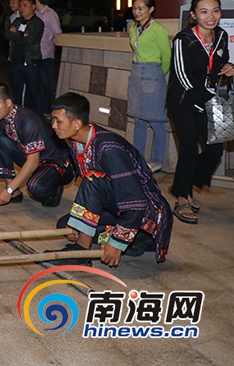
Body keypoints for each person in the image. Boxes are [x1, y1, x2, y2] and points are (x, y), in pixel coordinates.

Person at [50, 93, 172, 267]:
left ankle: (83, 253)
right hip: (117, 205)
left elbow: (136, 201)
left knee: (93, 179)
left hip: (146, 212)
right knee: (66, 224)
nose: (53, 126)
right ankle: (136, 240)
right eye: (53, 120)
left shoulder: (109, 148)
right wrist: (80, 223)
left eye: (58, 121)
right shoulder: (75, 141)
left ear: (77, 124)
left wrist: (117, 242)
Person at [166, 0, 234, 225]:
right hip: (183, 101)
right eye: (204, 11)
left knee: (216, 149)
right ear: (194, 15)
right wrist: (206, 98)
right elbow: (182, 77)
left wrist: (229, 66)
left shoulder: (221, 35)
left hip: (208, 99)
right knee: (189, 150)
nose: (211, 16)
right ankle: (182, 198)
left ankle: (183, 184)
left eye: (215, 10)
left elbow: (219, 63)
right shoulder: (183, 39)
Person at [0, 82, 74, 207]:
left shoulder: (28, 121)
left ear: (8, 102)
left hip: (57, 163)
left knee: (35, 187)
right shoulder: (5, 120)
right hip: (37, 160)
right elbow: (2, 151)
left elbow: (33, 162)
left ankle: (54, 189)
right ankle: (15, 193)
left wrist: (8, 190)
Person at [127, 0, 171, 173]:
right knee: (139, 119)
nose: (136, 12)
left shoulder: (158, 29)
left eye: (141, 8)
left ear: (151, 9)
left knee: (155, 120)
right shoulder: (134, 28)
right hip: (137, 73)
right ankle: (137, 157)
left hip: (153, 73)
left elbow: (166, 55)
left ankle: (157, 160)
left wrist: (159, 73)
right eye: (134, 8)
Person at [6, 0, 44, 112]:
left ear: (33, 7)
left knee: (34, 91)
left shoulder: (37, 23)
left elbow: (30, 39)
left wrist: (16, 34)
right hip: (15, 62)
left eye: (25, 5)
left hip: (30, 62)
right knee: (16, 91)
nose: (22, 8)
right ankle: (17, 116)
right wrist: (22, 35)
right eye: (21, 6)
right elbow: (8, 34)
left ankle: (38, 116)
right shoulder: (17, 21)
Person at [35, 0, 62, 115]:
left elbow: (58, 33)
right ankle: (38, 109)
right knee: (35, 83)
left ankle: (48, 109)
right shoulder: (35, 13)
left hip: (46, 54)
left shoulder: (50, 14)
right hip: (35, 55)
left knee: (46, 84)